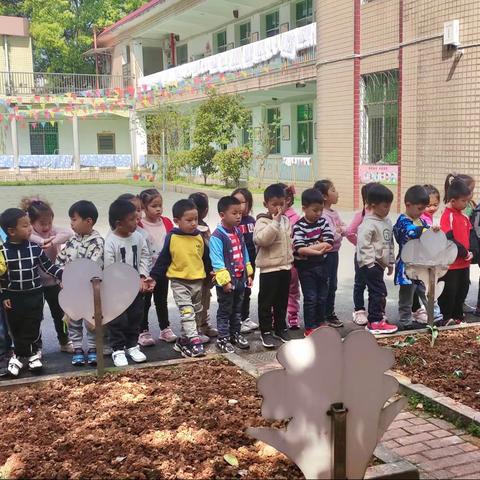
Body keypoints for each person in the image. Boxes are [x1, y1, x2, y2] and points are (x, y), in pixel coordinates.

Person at [0, 208, 63, 376]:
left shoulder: (35, 248)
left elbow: (48, 267)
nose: (30, 229)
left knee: (34, 323)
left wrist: (64, 275)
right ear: (11, 231)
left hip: (35, 294)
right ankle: (19, 355)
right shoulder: (3, 252)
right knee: (16, 325)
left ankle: (33, 354)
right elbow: (2, 277)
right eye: (25, 226)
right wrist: (4, 295)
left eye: (29, 225)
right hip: (13, 296)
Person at [151, 199, 210, 358]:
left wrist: (211, 275)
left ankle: (183, 341)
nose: (193, 224)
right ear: (177, 221)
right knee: (187, 311)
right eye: (189, 220)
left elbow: (205, 259)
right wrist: (153, 278)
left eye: (195, 220)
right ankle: (194, 341)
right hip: (179, 282)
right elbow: (163, 259)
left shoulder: (199, 237)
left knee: (197, 312)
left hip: (198, 281)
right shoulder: (172, 238)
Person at [104, 199, 153, 367]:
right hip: (117, 291)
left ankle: (133, 346)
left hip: (136, 289)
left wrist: (142, 276)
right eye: (132, 219)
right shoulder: (111, 242)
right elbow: (110, 267)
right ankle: (117, 350)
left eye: (137, 217)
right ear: (119, 223)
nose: (137, 221)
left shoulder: (138, 237)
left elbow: (145, 257)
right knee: (117, 320)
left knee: (135, 317)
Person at [22, 197, 73, 354]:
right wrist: (43, 240)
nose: (46, 227)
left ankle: (64, 341)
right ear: (31, 223)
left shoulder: (53, 232)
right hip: (36, 282)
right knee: (36, 316)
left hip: (54, 280)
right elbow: (31, 237)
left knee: (60, 313)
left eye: (49, 223)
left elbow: (68, 233)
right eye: (42, 224)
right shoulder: (29, 235)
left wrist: (52, 240)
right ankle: (37, 346)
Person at [56, 201, 105, 366]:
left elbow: (91, 265)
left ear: (88, 221)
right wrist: (62, 278)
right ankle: (77, 348)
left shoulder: (97, 242)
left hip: (90, 290)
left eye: (74, 219)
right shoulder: (71, 241)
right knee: (73, 320)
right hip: (72, 290)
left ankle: (92, 348)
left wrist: (74, 279)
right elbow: (60, 260)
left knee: (91, 321)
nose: (71, 223)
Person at [393, 186, 443, 330]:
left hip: (422, 265)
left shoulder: (421, 221)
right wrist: (425, 230)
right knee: (406, 296)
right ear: (408, 205)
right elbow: (409, 232)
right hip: (407, 265)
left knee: (428, 291)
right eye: (420, 208)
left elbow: (428, 231)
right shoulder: (403, 220)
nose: (422, 212)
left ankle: (436, 317)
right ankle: (405, 321)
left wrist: (434, 231)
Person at [210, 196, 253, 353]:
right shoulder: (217, 236)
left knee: (237, 309)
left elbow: (244, 252)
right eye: (234, 213)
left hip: (240, 278)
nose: (238, 216)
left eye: (240, 213)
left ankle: (235, 334)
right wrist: (225, 281)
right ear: (222, 215)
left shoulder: (238, 231)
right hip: (227, 281)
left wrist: (248, 272)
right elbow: (217, 260)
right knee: (225, 310)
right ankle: (223, 338)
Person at [254, 184, 294, 348]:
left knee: (281, 301)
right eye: (274, 204)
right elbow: (262, 240)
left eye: (281, 204)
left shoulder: (286, 220)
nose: (278, 208)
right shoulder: (262, 221)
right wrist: (274, 223)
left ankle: (280, 327)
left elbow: (289, 241)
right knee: (266, 302)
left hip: (285, 268)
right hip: (269, 269)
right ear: (266, 204)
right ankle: (266, 331)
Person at [356, 184, 398, 334]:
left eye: (389, 206)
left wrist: (390, 262)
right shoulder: (368, 224)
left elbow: (390, 243)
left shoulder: (386, 221)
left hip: (380, 264)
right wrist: (369, 264)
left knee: (379, 292)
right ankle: (374, 321)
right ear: (373, 205)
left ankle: (378, 317)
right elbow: (363, 245)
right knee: (378, 292)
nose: (388, 209)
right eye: (385, 206)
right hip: (371, 265)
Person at [137, 189, 177, 346]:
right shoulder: (139, 224)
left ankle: (165, 328)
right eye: (154, 206)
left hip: (162, 271)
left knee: (161, 300)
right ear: (144, 207)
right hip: (146, 272)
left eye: (160, 205)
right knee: (144, 303)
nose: (158, 209)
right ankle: (143, 331)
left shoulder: (167, 222)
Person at [292, 188, 334, 336]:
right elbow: (299, 248)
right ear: (304, 208)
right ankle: (310, 327)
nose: (318, 214)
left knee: (323, 296)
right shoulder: (298, 226)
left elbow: (329, 242)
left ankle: (320, 322)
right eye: (315, 210)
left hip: (322, 266)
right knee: (311, 298)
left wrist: (309, 249)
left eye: (321, 210)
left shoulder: (322, 222)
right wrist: (317, 249)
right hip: (306, 268)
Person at [314, 179, 354, 327]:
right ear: (324, 196)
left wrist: (339, 230)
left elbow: (345, 228)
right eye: (333, 190)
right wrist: (338, 231)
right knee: (326, 284)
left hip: (334, 253)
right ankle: (324, 315)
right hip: (326, 254)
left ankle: (329, 313)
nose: (337, 193)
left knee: (333, 285)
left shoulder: (333, 213)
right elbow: (330, 236)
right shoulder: (323, 214)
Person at [438, 179, 477, 324]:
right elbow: (448, 238)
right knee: (450, 292)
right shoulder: (447, 215)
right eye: (464, 201)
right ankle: (446, 317)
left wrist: (472, 251)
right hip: (451, 264)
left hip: (464, 264)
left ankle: (458, 317)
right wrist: (463, 252)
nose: (466, 204)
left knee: (462, 290)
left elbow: (471, 235)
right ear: (453, 200)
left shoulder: (464, 216)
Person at [346, 182, 377, 326]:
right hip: (361, 257)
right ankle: (359, 310)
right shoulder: (361, 216)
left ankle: (375, 311)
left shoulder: (380, 217)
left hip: (377, 258)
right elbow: (350, 232)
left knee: (375, 284)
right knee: (360, 283)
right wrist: (360, 244)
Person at [188, 192, 218, 343]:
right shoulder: (191, 230)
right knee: (197, 302)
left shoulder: (204, 227)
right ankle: (196, 329)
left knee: (205, 299)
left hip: (206, 271)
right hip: (196, 272)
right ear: (205, 210)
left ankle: (204, 325)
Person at [232, 187, 259, 333]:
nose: (240, 206)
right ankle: (236, 320)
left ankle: (245, 317)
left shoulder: (251, 221)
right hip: (237, 262)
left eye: (243, 202)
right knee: (238, 291)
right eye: (236, 202)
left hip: (251, 261)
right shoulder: (233, 222)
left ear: (249, 204)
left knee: (248, 289)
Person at [279, 184, 301, 330]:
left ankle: (293, 315)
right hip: (277, 261)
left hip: (292, 261)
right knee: (278, 290)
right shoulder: (272, 217)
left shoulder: (296, 218)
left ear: (288, 200)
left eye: (280, 202)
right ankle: (277, 316)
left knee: (293, 289)